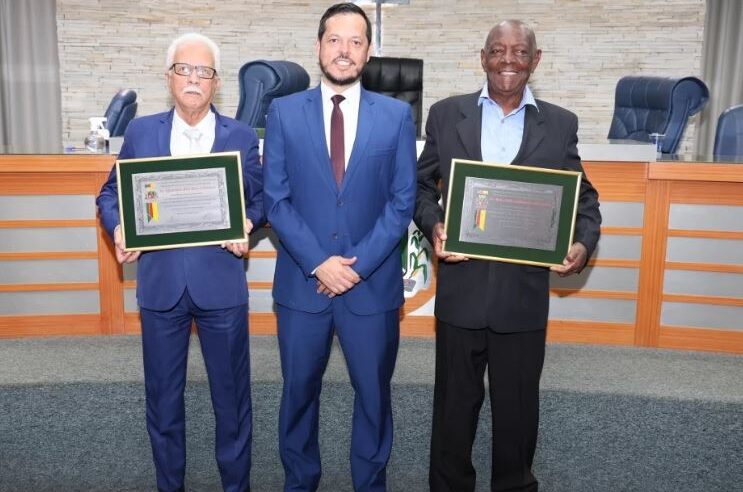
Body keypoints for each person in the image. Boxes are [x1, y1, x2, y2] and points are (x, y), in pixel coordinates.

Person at [414, 20, 602, 492]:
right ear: (483, 57)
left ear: (535, 61)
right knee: (453, 410)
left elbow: (584, 202)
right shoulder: (445, 114)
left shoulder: (560, 124)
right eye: (498, 51)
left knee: (518, 415)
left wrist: (580, 245)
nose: (508, 60)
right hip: (462, 294)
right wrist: (434, 223)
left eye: (520, 52)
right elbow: (419, 187)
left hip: (522, 299)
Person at [96, 32, 263, 492]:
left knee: (232, 403)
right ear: (169, 77)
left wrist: (248, 222)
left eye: (204, 72)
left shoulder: (242, 136)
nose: (194, 79)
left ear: (216, 83)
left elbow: (262, 197)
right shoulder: (142, 131)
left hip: (221, 285)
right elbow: (111, 193)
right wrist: (118, 229)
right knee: (163, 402)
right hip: (161, 286)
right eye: (184, 70)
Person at [262, 3, 417, 491]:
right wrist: (318, 264)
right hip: (302, 286)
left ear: (368, 52)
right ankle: (300, 482)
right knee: (298, 395)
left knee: (373, 396)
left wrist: (356, 266)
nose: (344, 50)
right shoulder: (283, 112)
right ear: (318, 46)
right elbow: (276, 200)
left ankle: (370, 484)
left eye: (354, 41)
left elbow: (402, 201)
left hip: (370, 289)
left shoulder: (396, 116)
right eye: (334, 40)